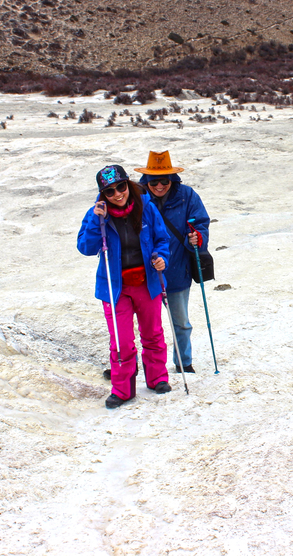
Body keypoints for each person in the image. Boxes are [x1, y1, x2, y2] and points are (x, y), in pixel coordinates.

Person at [77, 165, 172, 409]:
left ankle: (157, 379)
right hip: (114, 288)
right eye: (110, 191)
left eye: (121, 187)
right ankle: (122, 389)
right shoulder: (97, 215)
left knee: (152, 333)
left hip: (146, 282)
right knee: (121, 341)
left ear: (128, 184)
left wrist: (162, 257)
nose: (118, 194)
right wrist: (95, 221)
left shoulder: (146, 207)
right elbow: (86, 247)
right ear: (102, 194)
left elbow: (162, 240)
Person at [135, 151, 210, 373]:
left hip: (177, 271)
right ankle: (138, 366)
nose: (159, 186)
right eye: (154, 181)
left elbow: (201, 223)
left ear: (172, 179)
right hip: (144, 275)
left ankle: (184, 363)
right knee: (146, 327)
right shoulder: (136, 198)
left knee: (182, 323)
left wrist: (197, 237)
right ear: (146, 180)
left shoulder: (187, 195)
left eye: (164, 181)